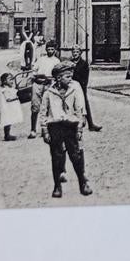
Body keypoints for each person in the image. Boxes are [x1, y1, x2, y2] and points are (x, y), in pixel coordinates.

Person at [39, 64, 93, 198]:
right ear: (58, 78)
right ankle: (57, 186)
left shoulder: (73, 90)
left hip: (70, 127)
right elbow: (43, 113)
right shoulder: (49, 93)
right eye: (67, 76)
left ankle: (82, 183)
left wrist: (79, 128)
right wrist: (45, 130)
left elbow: (79, 110)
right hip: (55, 127)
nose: (70, 79)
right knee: (56, 157)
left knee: (76, 156)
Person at [28, 41, 61, 138]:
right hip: (38, 84)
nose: (50, 51)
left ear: (55, 50)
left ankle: (44, 129)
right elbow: (33, 71)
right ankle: (33, 130)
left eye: (52, 49)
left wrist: (50, 79)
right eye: (48, 49)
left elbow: (56, 75)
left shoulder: (56, 61)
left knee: (46, 107)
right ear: (46, 49)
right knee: (35, 107)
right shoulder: (41, 59)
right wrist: (36, 77)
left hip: (48, 85)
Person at [71, 46, 102, 132]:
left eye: (77, 52)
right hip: (71, 86)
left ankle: (91, 124)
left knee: (85, 105)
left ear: (80, 53)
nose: (75, 53)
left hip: (81, 87)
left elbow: (85, 77)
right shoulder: (70, 63)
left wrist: (83, 86)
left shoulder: (84, 63)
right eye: (74, 52)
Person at [0, 72, 22, 141]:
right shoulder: (5, 89)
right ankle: (7, 135)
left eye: (12, 79)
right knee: (7, 121)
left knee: (9, 121)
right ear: (4, 81)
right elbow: (8, 99)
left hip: (9, 107)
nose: (11, 81)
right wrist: (16, 98)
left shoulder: (10, 88)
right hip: (6, 107)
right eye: (9, 79)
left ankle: (7, 134)